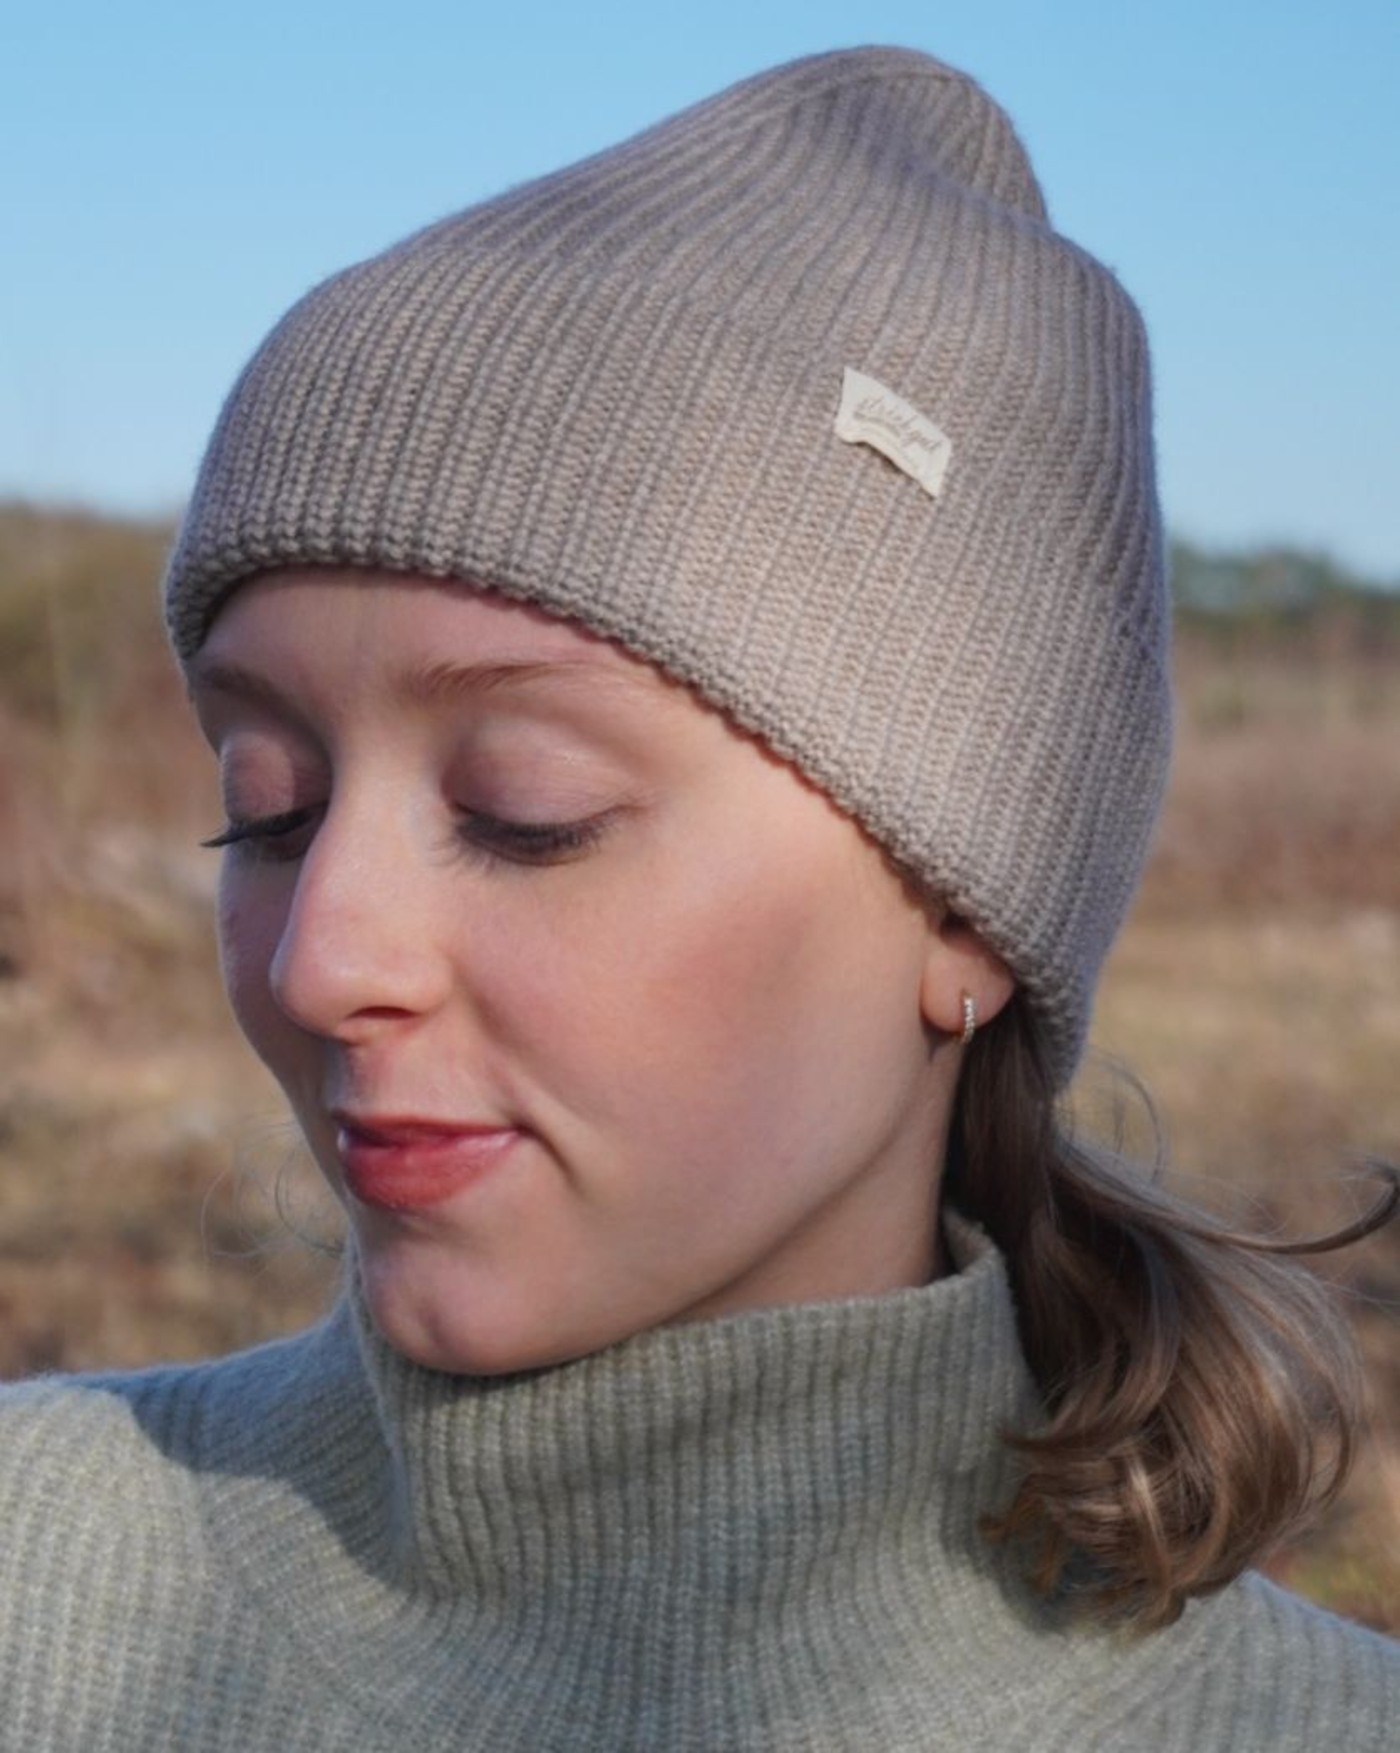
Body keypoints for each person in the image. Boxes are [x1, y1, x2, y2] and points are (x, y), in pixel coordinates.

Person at [1, 45, 1396, 1751]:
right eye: (267, 813)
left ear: (963, 909)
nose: (320, 959)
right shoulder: (35, 1581)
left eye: (527, 814)